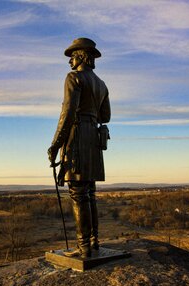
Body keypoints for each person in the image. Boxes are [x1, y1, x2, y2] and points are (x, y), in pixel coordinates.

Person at [48, 37, 111, 258]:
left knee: (78, 193)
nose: (70, 62)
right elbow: (106, 116)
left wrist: (56, 144)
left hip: (77, 137)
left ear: (82, 56)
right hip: (93, 138)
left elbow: (67, 113)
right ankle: (94, 243)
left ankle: (83, 247)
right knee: (89, 193)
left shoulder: (73, 78)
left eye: (72, 56)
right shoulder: (102, 84)